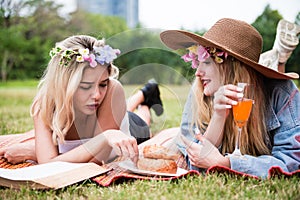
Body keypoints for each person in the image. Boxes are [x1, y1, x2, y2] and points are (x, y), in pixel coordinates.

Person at [159, 18, 300, 178]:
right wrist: (218, 117)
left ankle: (276, 59)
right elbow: (193, 160)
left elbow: (291, 162)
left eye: (206, 62)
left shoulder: (282, 93)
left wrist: (228, 164)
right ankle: (273, 57)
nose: (197, 73)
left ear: (232, 67)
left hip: (254, 80)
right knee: (166, 139)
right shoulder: (199, 90)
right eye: (198, 62)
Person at [0, 35, 163, 165]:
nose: (97, 95)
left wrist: (38, 152)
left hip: (131, 131)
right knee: (122, 109)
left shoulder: (112, 90)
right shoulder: (44, 103)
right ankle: (146, 92)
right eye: (85, 87)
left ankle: (145, 100)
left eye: (102, 84)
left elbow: (96, 162)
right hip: (112, 122)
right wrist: (105, 137)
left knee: (142, 121)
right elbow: (47, 165)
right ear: (63, 84)